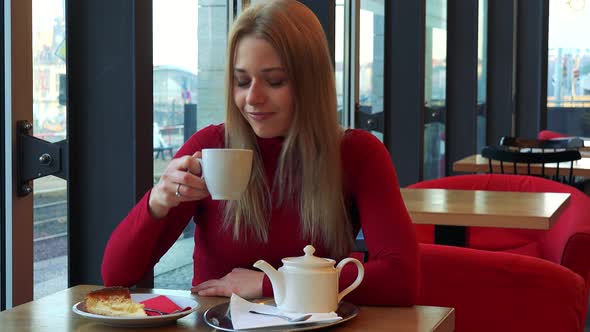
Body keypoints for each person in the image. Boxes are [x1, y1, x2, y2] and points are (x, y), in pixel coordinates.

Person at [102, 0, 418, 306]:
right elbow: (116, 276)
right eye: (241, 81)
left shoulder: (357, 153)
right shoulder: (210, 147)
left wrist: (268, 283)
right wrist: (157, 200)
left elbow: (401, 280)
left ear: (310, 82)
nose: (252, 98)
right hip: (217, 325)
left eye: (274, 80)